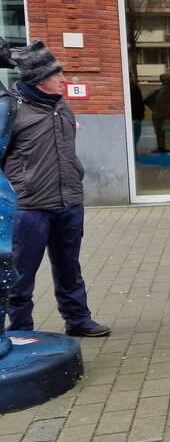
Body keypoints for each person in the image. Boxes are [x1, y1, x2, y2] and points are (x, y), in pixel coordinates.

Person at [2, 39, 110, 336]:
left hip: (69, 201)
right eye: (56, 75)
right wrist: (20, 186)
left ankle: (78, 320)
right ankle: (20, 330)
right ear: (38, 80)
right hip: (30, 207)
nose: (63, 79)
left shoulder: (62, 106)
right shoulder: (13, 111)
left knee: (69, 267)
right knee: (21, 273)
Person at [144, 73, 170, 153]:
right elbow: (147, 101)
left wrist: (158, 113)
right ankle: (165, 148)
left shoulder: (167, 91)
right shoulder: (164, 91)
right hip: (163, 117)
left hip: (166, 118)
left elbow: (167, 107)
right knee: (163, 135)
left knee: (167, 135)